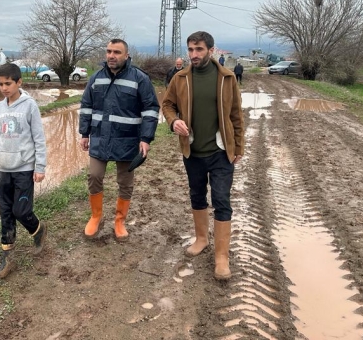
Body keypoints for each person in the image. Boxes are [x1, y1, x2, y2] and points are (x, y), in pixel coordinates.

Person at [161, 31, 244, 280]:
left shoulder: (227, 78)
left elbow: (237, 115)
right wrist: (173, 121)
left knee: (221, 200)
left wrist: (238, 147)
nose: (193, 55)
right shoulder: (180, 78)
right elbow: (167, 104)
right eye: (190, 50)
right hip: (192, 150)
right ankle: (201, 239)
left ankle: (222, 257)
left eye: (198, 49)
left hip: (220, 152)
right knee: (197, 195)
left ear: (210, 50)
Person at [79, 38, 159, 242]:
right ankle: (96, 217)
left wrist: (146, 138)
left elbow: (150, 108)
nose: (111, 56)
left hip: (127, 139)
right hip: (99, 138)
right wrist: (84, 133)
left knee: (125, 182)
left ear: (126, 56)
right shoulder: (96, 78)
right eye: (109, 51)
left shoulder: (140, 78)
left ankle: (119, 221)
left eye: (116, 52)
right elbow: (86, 106)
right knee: (94, 176)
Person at [0, 63, 47, 280]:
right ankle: (7, 260)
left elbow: (39, 138)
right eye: (0, 84)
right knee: (6, 215)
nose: (3, 88)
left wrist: (40, 167)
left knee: (21, 211)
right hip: (4, 170)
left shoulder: (29, 106)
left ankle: (38, 230)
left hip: (24, 169)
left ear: (19, 82)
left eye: (8, 83)